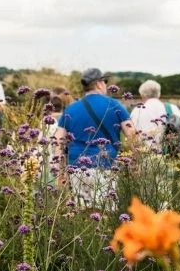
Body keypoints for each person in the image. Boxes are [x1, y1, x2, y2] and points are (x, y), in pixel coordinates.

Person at [55, 68, 137, 209]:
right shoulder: (115, 105)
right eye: (105, 81)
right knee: (105, 213)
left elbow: (58, 142)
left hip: (76, 168)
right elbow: (132, 134)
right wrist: (135, 161)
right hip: (105, 167)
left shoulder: (70, 109)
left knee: (81, 212)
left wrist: (60, 171)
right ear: (99, 84)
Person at [129, 80, 180, 154]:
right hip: (170, 156)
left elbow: (131, 136)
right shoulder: (172, 108)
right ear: (159, 94)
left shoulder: (137, 110)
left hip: (144, 155)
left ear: (142, 95)